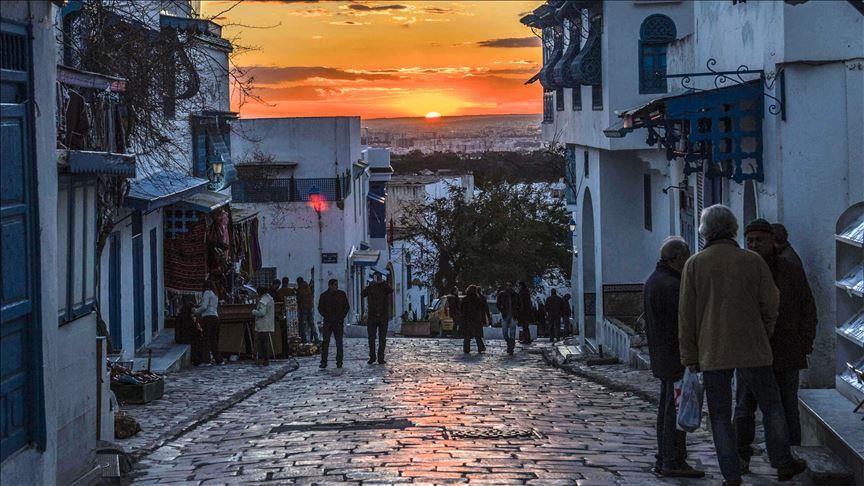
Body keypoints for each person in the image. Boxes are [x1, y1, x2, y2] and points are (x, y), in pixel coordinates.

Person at [679, 205, 806, 486]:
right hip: (753, 346)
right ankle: (783, 462)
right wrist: (764, 330)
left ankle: (731, 474)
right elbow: (771, 301)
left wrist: (689, 354)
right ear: (734, 229)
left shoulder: (696, 264)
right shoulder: (752, 261)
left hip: (713, 350)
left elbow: (686, 315)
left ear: (705, 231)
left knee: (721, 416)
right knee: (771, 406)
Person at [736, 219, 818, 472]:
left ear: (772, 241)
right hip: (750, 352)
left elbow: (807, 306)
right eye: (749, 240)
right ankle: (741, 455)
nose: (753, 244)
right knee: (744, 407)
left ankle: (789, 456)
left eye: (758, 240)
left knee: (785, 406)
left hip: (786, 349)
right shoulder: (740, 272)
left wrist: (805, 341)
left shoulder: (790, 269)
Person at [644, 237, 704, 479]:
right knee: (674, 411)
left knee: (667, 408)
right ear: (678, 258)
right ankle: (672, 459)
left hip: (662, 356)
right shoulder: (671, 285)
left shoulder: (654, 281)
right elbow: (680, 324)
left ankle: (665, 457)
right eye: (687, 255)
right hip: (673, 357)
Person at [317, 278, 350, 369]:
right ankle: (324, 361)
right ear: (330, 286)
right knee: (325, 342)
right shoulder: (324, 296)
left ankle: (339, 361)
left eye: (337, 285)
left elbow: (346, 307)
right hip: (328, 322)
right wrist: (326, 316)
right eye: (335, 285)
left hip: (338, 322)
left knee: (339, 342)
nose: (336, 286)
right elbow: (320, 308)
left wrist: (341, 317)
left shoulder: (341, 295)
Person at [362, 272, 393, 364]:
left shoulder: (384, 286)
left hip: (383, 316)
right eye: (376, 277)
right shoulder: (371, 287)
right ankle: (372, 356)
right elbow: (363, 294)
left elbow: (391, 290)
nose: (377, 279)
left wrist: (383, 283)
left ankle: (380, 357)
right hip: (372, 316)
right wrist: (371, 285)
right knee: (371, 338)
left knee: (382, 338)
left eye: (379, 277)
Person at [194, 280, 223, 365]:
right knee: (213, 340)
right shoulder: (215, 294)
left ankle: (206, 360)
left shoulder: (207, 293)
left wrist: (196, 311)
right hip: (215, 317)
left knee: (206, 339)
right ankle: (219, 360)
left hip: (208, 318)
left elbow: (204, 306)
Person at [460, 285, 489, 354]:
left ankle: (466, 349)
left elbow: (461, 310)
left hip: (467, 319)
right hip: (476, 319)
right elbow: (482, 310)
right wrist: (484, 320)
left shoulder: (464, 299)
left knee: (467, 336)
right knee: (477, 335)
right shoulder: (478, 299)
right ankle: (481, 347)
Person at [252, 286, 275, 366]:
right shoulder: (270, 299)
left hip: (262, 324)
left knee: (263, 343)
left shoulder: (263, 301)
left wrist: (254, 311)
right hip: (268, 323)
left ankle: (264, 359)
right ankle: (265, 358)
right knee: (265, 342)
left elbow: (262, 313)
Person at [496, 282, 518, 354]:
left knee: (512, 333)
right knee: (504, 333)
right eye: (507, 285)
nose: (509, 287)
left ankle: (511, 347)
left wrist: (517, 310)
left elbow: (520, 304)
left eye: (510, 285)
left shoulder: (515, 295)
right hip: (505, 315)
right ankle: (510, 343)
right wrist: (502, 310)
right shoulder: (502, 294)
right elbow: (498, 304)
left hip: (513, 315)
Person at [296, 277, 318, 344]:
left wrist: (296, 292)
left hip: (303, 308)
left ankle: (304, 339)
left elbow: (299, 297)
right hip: (309, 308)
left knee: (303, 324)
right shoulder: (307, 287)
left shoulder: (301, 288)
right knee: (311, 324)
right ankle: (316, 338)